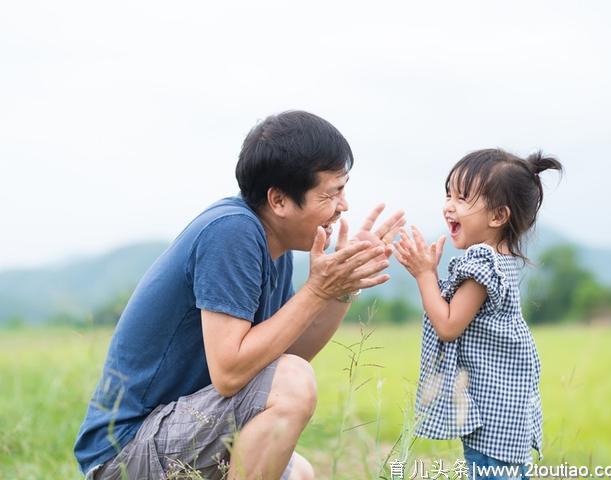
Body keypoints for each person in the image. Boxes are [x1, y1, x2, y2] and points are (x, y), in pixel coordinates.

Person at [74, 110, 405, 480]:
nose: (342, 205)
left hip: (178, 433)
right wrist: (316, 290)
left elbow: (282, 359)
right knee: (293, 383)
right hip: (126, 453)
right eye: (331, 193)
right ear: (278, 200)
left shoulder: (274, 246)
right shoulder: (232, 232)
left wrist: (341, 289)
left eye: (343, 190)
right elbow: (232, 373)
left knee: (300, 473)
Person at [394, 149, 562, 479]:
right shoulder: (504, 260)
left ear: (498, 216)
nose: (449, 205)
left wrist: (424, 274)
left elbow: (448, 324)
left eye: (463, 197)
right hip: (507, 410)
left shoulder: (482, 263)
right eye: (448, 194)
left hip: (493, 415)